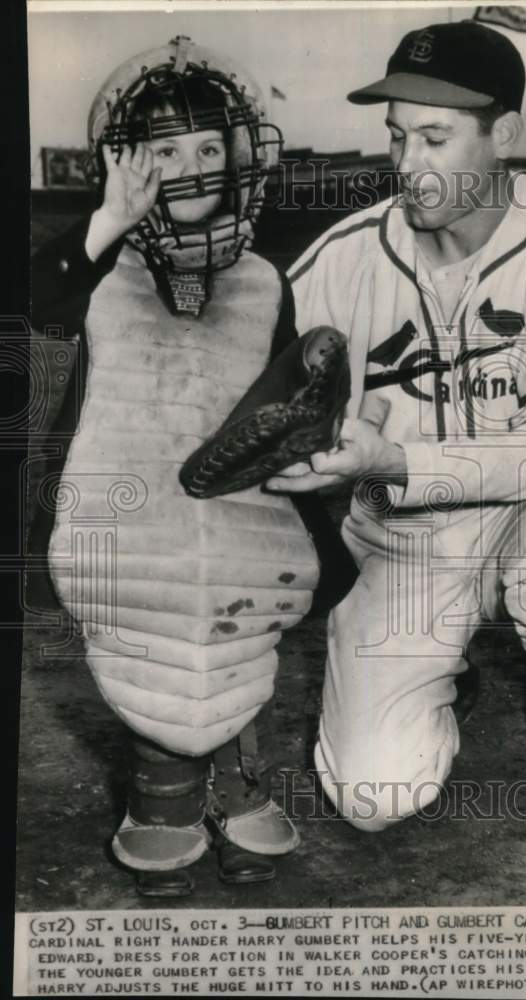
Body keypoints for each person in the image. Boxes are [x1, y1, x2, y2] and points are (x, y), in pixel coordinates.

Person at [269, 21, 526, 830]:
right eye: (397, 137)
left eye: (435, 138)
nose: (407, 165)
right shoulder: (343, 255)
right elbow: (251, 367)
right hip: (400, 545)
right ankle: (439, 675)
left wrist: (389, 453)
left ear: (502, 134)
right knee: (373, 798)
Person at [31, 36, 324, 896]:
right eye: (166, 152)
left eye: (209, 150)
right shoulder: (96, 263)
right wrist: (108, 224)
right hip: (130, 511)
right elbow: (32, 300)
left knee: (240, 613)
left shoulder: (266, 277)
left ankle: (237, 787)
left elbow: (283, 396)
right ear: (127, 161)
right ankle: (162, 798)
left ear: (240, 161)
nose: (192, 172)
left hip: (238, 511)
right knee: (146, 622)